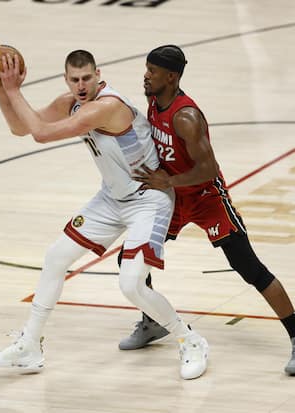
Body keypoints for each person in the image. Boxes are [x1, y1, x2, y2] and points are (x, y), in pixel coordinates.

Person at [0, 49, 209, 380]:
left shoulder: (108, 106)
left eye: (87, 77)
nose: (81, 85)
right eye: (74, 79)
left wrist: (14, 90)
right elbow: (22, 127)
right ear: (67, 80)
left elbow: (42, 134)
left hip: (149, 200)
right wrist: (2, 88)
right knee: (56, 256)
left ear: (99, 74)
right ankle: (30, 344)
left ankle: (191, 339)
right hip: (112, 199)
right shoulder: (69, 101)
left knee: (131, 284)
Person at [118, 45, 295, 376]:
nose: (145, 75)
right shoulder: (154, 99)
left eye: (152, 71)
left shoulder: (187, 117)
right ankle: (153, 320)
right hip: (174, 198)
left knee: (249, 268)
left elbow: (208, 169)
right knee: (130, 258)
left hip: (205, 197)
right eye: (146, 69)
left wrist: (167, 180)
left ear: (171, 77)